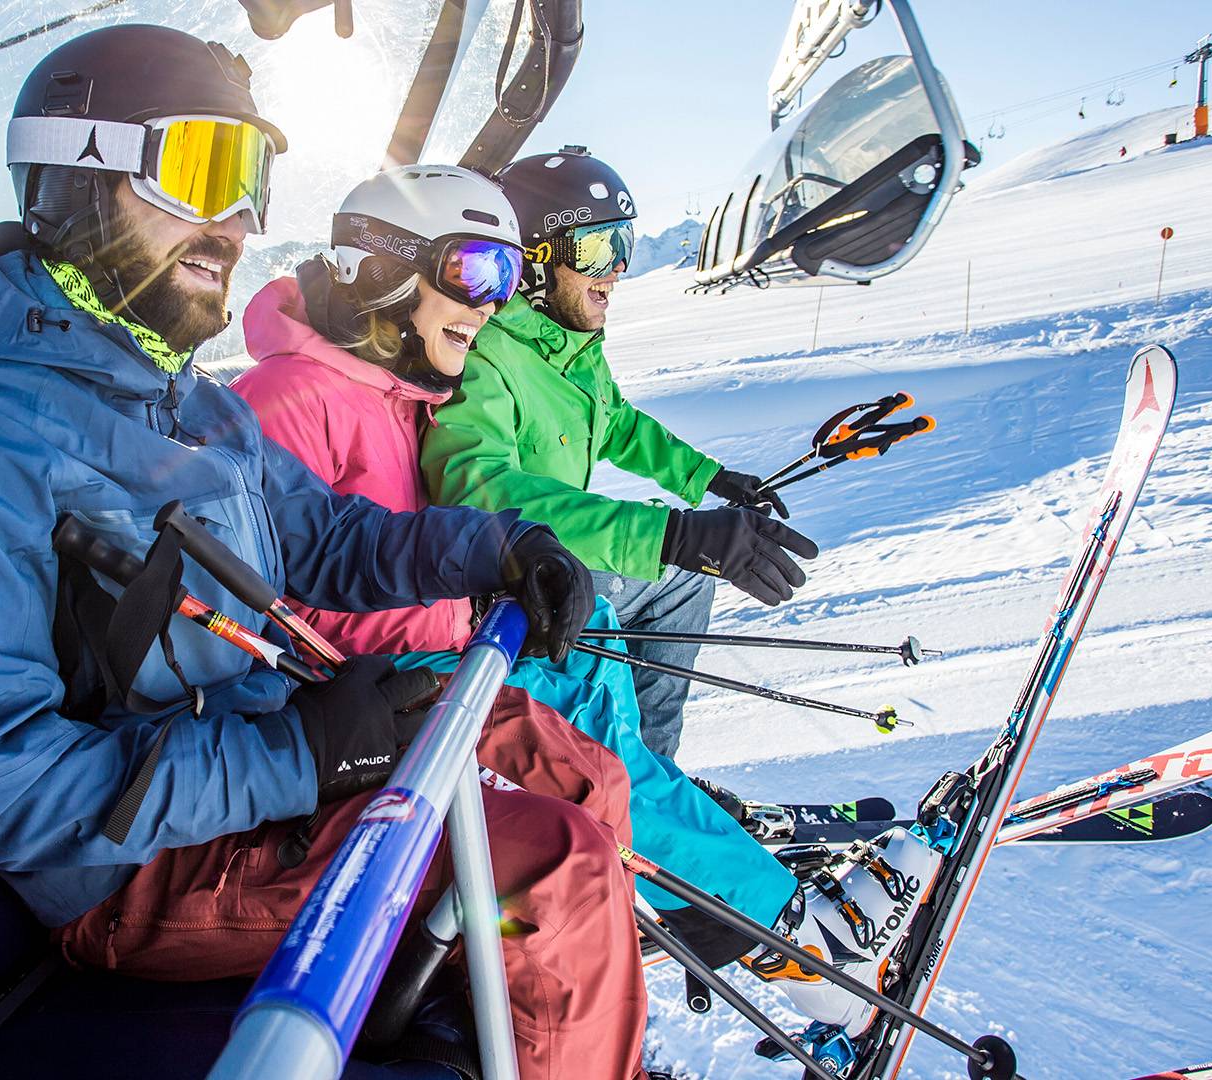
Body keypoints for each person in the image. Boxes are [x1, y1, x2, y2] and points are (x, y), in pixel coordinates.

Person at [0, 25, 647, 1080]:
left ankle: (572, 1036)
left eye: (249, 178)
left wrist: (494, 549)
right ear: (73, 178)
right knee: (555, 866)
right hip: (139, 870)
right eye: (200, 171)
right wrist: (298, 758)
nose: (236, 220)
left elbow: (331, 538)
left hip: (264, 763)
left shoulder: (191, 403)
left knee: (564, 763)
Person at [230, 165, 799, 930]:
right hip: (410, 681)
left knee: (606, 687)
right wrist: (482, 589)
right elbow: (296, 593)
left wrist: (705, 483)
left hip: (473, 628)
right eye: (474, 270)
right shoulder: (290, 399)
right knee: (591, 759)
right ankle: (779, 923)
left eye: (500, 277)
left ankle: (699, 855)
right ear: (385, 269)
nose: (488, 304)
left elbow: (605, 430)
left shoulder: (401, 386)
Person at [420, 146, 819, 759]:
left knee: (683, 581)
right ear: (532, 262)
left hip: (557, 558)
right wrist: (671, 536)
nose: (617, 270)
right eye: (598, 249)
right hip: (505, 584)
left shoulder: (572, 345)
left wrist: (710, 479)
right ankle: (629, 774)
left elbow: (618, 424)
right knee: (677, 571)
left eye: (623, 244)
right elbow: (477, 491)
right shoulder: (487, 353)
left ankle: (651, 768)